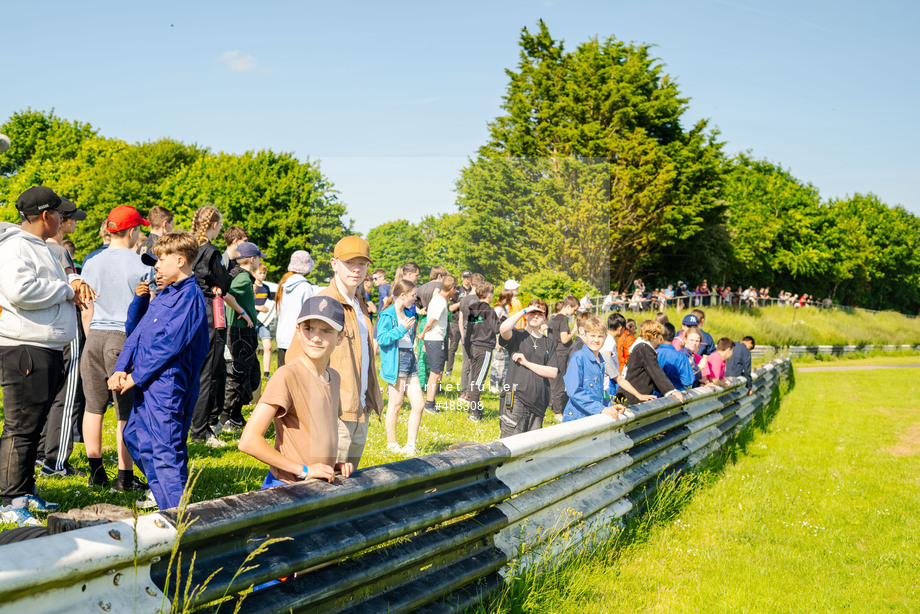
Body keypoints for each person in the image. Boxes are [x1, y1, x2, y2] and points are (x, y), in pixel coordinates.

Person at [0, 187, 96, 527]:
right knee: (22, 428)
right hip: (25, 346)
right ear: (45, 216)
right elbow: (20, 290)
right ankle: (11, 500)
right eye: (58, 212)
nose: (62, 218)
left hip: (43, 345)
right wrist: (66, 291)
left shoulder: (38, 246)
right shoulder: (16, 247)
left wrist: (72, 277)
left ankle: (24, 491)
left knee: (35, 425)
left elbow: (48, 279)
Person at [108, 233, 209, 510]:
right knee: (134, 436)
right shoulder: (165, 294)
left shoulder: (190, 296)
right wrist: (120, 369)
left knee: (166, 449)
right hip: (147, 381)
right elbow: (136, 334)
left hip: (168, 383)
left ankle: (176, 516)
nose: (157, 265)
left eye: (161, 259)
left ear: (179, 260)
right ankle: (163, 492)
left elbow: (169, 345)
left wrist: (135, 376)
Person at [284, 236, 384, 468]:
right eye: (350, 262)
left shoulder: (360, 303)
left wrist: (367, 399)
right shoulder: (323, 302)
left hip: (359, 410)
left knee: (348, 488)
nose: (356, 269)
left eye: (362, 263)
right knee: (326, 486)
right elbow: (294, 359)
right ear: (334, 263)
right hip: (333, 415)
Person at [238, 296, 353, 487]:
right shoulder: (287, 375)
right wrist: (304, 470)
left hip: (319, 484)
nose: (316, 337)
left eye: (326, 330)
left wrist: (331, 465)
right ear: (298, 331)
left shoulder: (334, 377)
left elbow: (315, 432)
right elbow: (248, 441)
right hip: (286, 487)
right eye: (308, 329)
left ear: (340, 336)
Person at [81, 206, 154, 491]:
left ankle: (96, 472)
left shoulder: (91, 262)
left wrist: (91, 339)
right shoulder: (141, 265)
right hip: (123, 337)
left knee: (93, 407)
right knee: (126, 411)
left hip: (95, 335)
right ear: (133, 231)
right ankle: (125, 476)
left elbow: (86, 307)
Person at [188, 206, 248, 447]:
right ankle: (200, 431)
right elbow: (223, 283)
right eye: (220, 225)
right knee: (207, 373)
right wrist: (219, 282)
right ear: (213, 225)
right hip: (208, 312)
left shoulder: (190, 247)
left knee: (193, 371)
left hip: (189, 308)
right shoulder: (211, 251)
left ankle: (192, 425)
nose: (221, 228)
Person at [37, 202, 88, 478]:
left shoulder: (35, 247)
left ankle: (40, 452)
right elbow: (74, 288)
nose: (75, 224)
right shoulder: (58, 250)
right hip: (65, 328)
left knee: (45, 394)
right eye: (73, 220)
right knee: (67, 396)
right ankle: (56, 460)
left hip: (42, 331)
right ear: (62, 221)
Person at [376, 280, 426, 455]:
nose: (415, 299)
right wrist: (401, 329)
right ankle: (392, 444)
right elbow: (381, 338)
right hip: (396, 361)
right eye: (413, 295)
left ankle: (411, 445)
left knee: (419, 404)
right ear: (403, 295)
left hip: (409, 359)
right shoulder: (387, 315)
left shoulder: (408, 311)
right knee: (395, 404)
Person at [222, 241, 266, 431]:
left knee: (251, 375)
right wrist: (244, 312)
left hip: (243, 332)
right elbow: (227, 296)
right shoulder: (243, 278)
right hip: (240, 333)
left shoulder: (242, 277)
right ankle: (223, 420)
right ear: (252, 259)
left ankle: (236, 417)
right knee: (237, 376)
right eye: (258, 258)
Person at [497, 300, 558, 436]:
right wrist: (524, 310)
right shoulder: (517, 336)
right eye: (532, 313)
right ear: (526, 315)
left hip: (539, 402)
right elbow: (503, 329)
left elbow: (553, 372)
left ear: (545, 319)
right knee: (510, 444)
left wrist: (527, 363)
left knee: (531, 449)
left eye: (540, 314)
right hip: (516, 398)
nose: (535, 316)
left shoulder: (548, 343)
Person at [562, 316, 627, 422]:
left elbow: (597, 396)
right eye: (592, 336)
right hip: (577, 418)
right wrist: (602, 409)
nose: (596, 340)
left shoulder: (600, 360)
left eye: (600, 336)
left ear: (605, 337)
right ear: (585, 335)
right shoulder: (579, 357)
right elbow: (574, 391)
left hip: (592, 417)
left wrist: (610, 407)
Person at [619, 320, 684, 406]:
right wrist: (671, 391)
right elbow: (656, 372)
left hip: (630, 395)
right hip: (633, 398)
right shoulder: (644, 349)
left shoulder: (641, 348)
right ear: (655, 336)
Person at [464, 282, 500, 422]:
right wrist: (502, 321)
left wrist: (468, 351)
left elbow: (468, 332)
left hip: (473, 347)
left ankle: (476, 409)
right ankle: (475, 414)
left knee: (474, 379)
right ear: (489, 294)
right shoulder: (489, 311)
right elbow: (497, 329)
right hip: (484, 348)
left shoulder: (473, 308)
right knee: (478, 382)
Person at [420, 275, 456, 415]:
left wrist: (449, 330)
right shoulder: (440, 301)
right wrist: (423, 335)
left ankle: (430, 402)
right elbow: (431, 321)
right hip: (434, 339)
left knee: (437, 372)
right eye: (455, 289)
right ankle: (429, 404)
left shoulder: (439, 298)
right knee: (435, 373)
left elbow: (441, 319)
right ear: (451, 288)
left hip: (436, 338)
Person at [602, 313, 655, 402]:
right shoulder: (610, 341)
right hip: (609, 381)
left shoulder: (605, 337)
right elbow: (607, 358)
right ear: (620, 328)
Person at [275, 251, 315, 368]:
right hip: (297, 338)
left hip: (282, 337)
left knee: (282, 377)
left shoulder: (283, 284)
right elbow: (309, 314)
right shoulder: (306, 287)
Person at [549, 296, 578, 420]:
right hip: (562, 353)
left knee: (555, 382)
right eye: (574, 310)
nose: (575, 313)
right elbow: (564, 339)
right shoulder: (563, 320)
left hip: (556, 352)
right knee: (560, 383)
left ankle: (554, 406)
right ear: (568, 307)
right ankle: (558, 412)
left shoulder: (554, 318)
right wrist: (574, 331)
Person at [458, 272, 484, 400]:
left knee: (465, 365)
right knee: (474, 365)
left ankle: (463, 392)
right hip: (477, 336)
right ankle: (470, 392)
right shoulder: (480, 300)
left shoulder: (464, 299)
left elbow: (460, 319)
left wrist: (462, 336)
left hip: (465, 333)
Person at [445, 270, 472, 377]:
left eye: (468, 277)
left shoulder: (474, 291)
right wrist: (462, 302)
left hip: (470, 322)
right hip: (456, 322)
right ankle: (448, 371)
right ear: (461, 278)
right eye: (464, 277)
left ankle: (468, 371)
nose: (466, 280)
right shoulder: (457, 291)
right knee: (453, 347)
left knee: (469, 347)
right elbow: (450, 308)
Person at [656, 322, 695, 391]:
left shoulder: (653, 353)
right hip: (676, 395)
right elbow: (688, 381)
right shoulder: (681, 357)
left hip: (656, 396)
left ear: (660, 337)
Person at [489, 288, 514, 393]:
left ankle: (500, 385)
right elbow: (494, 326)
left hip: (504, 340)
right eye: (510, 297)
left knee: (503, 364)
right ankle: (493, 386)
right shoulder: (498, 309)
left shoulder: (504, 309)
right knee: (497, 363)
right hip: (498, 341)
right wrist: (498, 341)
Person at [253, 263, 275, 377]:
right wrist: (258, 307)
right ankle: (253, 371)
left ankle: (266, 373)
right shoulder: (251, 286)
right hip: (252, 320)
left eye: (264, 273)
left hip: (264, 322)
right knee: (253, 347)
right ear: (254, 273)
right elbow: (246, 303)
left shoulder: (266, 288)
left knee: (268, 346)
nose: (262, 275)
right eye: (260, 273)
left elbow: (270, 303)